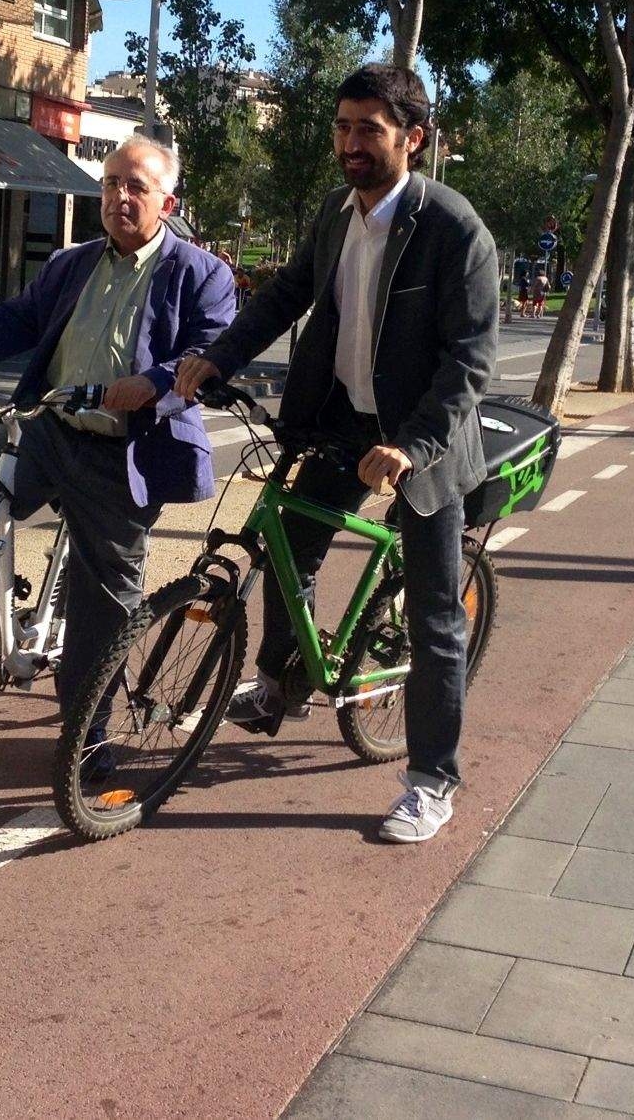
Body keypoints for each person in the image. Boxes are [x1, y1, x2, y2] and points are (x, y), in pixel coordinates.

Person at [175, 63, 501, 845]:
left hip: (421, 441)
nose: (350, 143)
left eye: (370, 130)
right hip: (338, 421)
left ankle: (431, 780)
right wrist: (220, 356)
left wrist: (413, 446)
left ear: (413, 139)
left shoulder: (454, 230)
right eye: (342, 127)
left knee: (432, 617)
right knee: (287, 541)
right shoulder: (335, 212)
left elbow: (470, 359)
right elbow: (287, 295)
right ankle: (280, 684)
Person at [0, 136, 236, 754]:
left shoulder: (203, 275)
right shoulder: (71, 264)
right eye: (111, 183)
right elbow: (17, 317)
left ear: (166, 201)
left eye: (136, 186)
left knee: (104, 597)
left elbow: (207, 355)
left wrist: (153, 384)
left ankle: (86, 733)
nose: (119, 196)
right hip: (53, 429)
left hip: (124, 452)